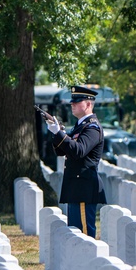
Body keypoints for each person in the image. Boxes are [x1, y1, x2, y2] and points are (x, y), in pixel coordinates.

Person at [45, 86, 106, 238]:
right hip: (76, 187)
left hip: (84, 188)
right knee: (75, 236)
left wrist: (59, 134)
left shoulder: (92, 127)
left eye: (77, 102)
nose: (72, 104)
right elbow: (61, 151)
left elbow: (78, 151)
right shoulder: (80, 126)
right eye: (72, 102)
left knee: (84, 237)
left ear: (88, 104)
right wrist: (57, 133)